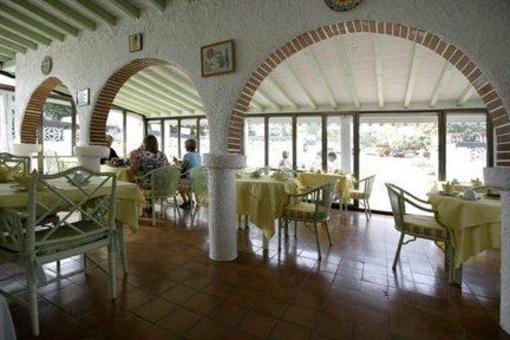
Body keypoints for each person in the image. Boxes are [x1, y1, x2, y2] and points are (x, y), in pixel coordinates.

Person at [176, 139, 202, 209]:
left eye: (185, 145)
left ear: (187, 146)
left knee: (177, 182)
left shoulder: (187, 155)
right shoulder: (198, 155)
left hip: (190, 179)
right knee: (184, 178)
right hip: (197, 178)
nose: (184, 146)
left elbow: (182, 168)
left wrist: (176, 164)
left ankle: (186, 201)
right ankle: (191, 200)